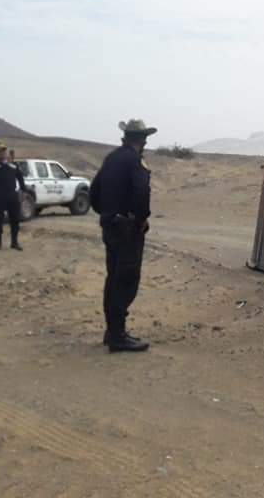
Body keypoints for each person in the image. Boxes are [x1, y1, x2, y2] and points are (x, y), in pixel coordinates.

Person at [89, 119, 155, 353]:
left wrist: (107, 214)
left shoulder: (111, 158)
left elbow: (94, 192)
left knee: (113, 278)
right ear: (142, 139)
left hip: (110, 226)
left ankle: (112, 331)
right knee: (126, 280)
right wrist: (140, 219)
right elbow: (141, 191)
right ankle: (117, 336)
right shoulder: (135, 161)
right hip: (127, 229)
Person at [0, 142, 26, 251]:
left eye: (4, 150)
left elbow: (20, 177)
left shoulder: (13, 165)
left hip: (12, 196)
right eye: (0, 151)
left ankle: (14, 243)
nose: (2, 152)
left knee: (15, 220)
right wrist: (6, 163)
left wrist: (23, 191)